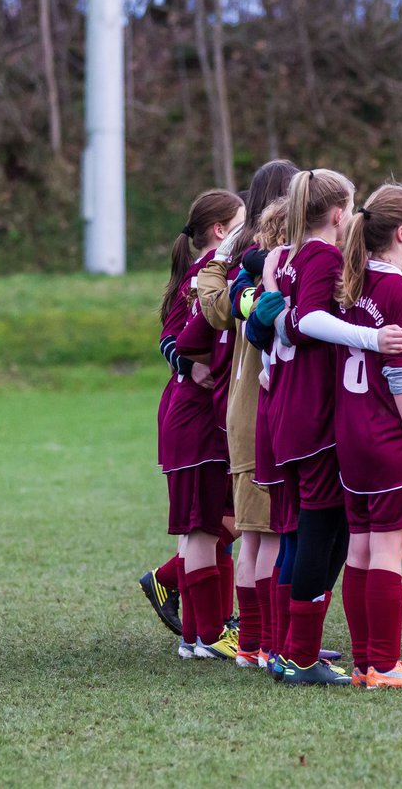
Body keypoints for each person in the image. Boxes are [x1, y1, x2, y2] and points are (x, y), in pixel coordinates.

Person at [259, 169, 402, 685]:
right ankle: (300, 656)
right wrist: (371, 339)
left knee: (307, 535)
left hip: (287, 409)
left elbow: (281, 323)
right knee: (324, 535)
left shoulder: (290, 257)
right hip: (314, 416)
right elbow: (308, 322)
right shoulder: (321, 256)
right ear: (341, 214)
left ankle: (285, 649)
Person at [335, 182, 402, 688]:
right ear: (401, 232)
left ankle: (362, 663)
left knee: (359, 548)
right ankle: (384, 662)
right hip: (386, 435)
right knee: (387, 552)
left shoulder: (347, 289)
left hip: (349, 435)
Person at [195, 159, 298, 668]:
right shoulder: (277, 263)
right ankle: (266, 644)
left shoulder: (238, 264)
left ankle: (258, 643)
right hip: (268, 404)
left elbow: (212, 305)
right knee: (268, 531)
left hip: (242, 404)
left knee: (255, 533)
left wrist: (220, 258)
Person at [156, 189, 243, 660]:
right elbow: (178, 339)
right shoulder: (209, 278)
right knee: (204, 529)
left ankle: (200, 634)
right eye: (242, 221)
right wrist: (191, 367)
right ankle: (205, 635)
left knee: (211, 526)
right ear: (221, 230)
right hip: (195, 417)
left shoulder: (203, 275)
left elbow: (170, 337)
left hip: (199, 414)